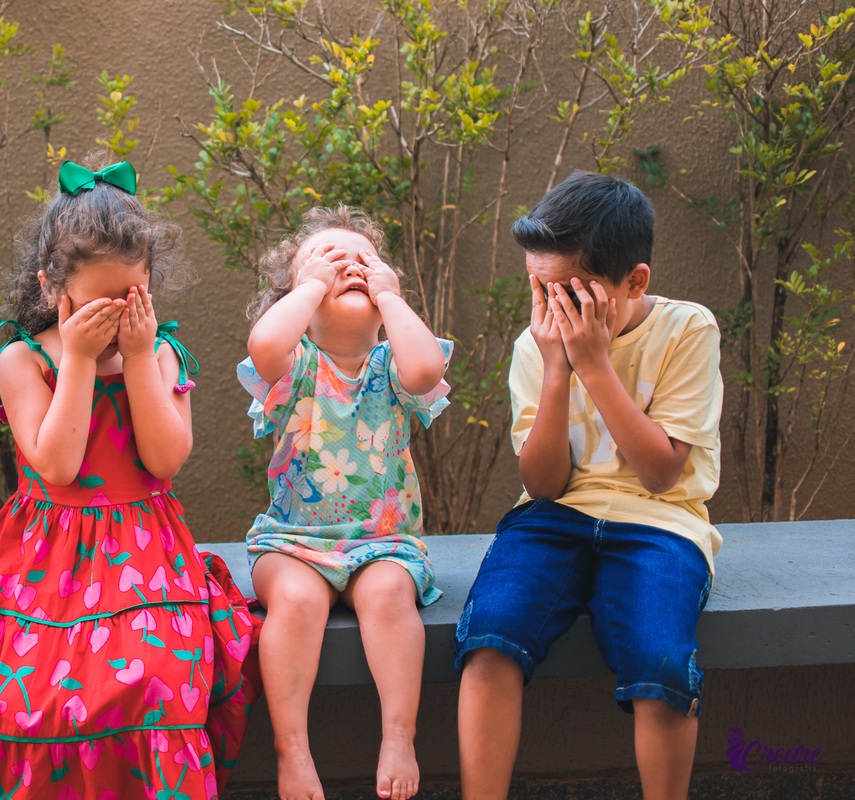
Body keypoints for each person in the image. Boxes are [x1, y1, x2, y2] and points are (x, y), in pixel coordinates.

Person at [0, 158, 261, 800]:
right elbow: (54, 466)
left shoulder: (159, 351)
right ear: (51, 288)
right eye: (95, 304)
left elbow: (165, 460)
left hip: (145, 549)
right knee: (29, 695)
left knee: (156, 679)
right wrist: (80, 359)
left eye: (132, 297)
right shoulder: (22, 357)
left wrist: (139, 358)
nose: (116, 316)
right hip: (45, 558)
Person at [454, 171, 723, 800]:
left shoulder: (687, 330)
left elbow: (662, 473)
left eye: (572, 293)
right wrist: (555, 368)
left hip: (660, 525)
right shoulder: (535, 345)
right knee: (490, 634)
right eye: (540, 290)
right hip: (554, 518)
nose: (553, 310)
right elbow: (543, 484)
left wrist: (595, 365)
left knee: (660, 660)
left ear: (635, 282)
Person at [237, 206, 452, 800]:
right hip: (291, 541)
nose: (349, 268)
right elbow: (265, 343)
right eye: (327, 261)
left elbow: (425, 366)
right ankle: (293, 750)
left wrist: (392, 300)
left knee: (388, 593)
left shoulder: (391, 367)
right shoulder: (296, 367)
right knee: (297, 600)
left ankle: (398, 735)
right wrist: (309, 285)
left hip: (383, 543)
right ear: (297, 301)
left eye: (364, 261)